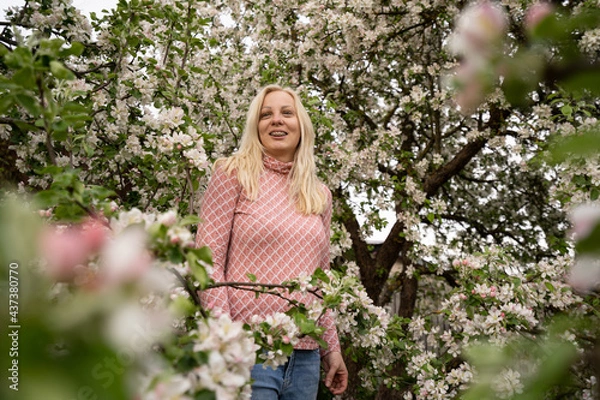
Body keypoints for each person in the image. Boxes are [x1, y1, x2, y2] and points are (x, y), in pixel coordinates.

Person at [195, 84, 348, 399]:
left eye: (286, 113)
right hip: (249, 351)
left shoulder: (319, 195)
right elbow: (205, 262)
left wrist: (331, 350)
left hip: (305, 357)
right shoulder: (233, 174)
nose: (276, 121)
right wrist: (228, 342)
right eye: (266, 115)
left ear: (301, 125)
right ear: (256, 126)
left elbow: (321, 281)